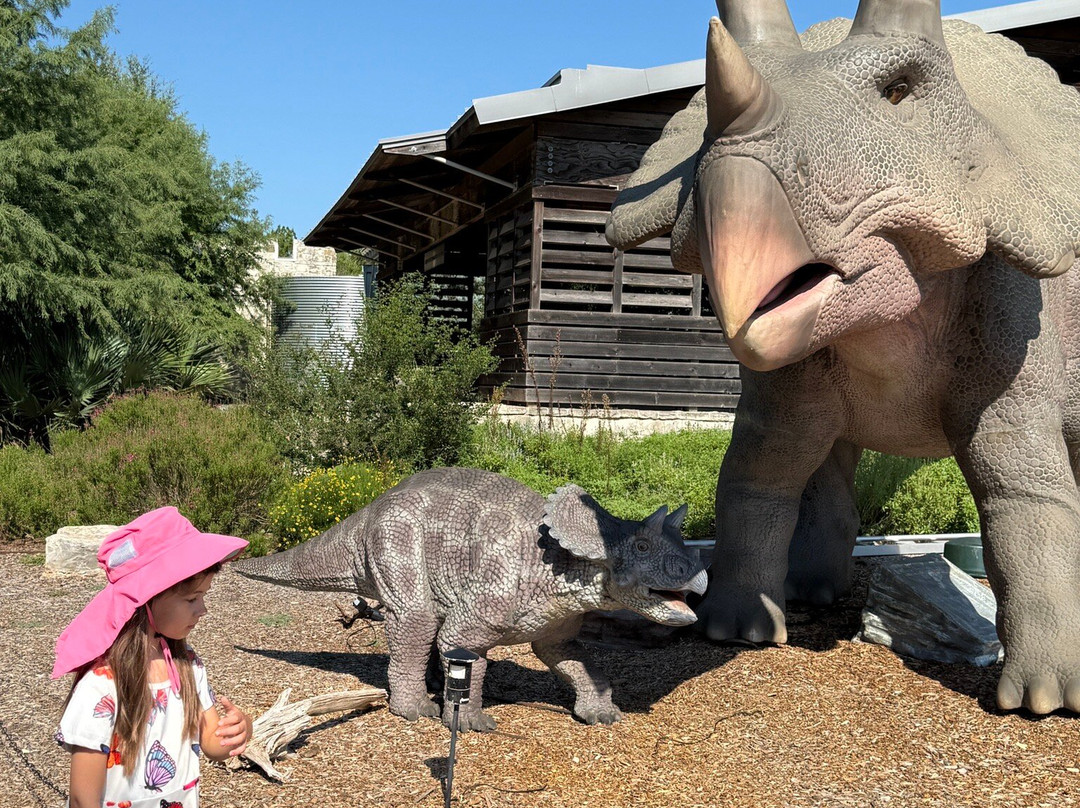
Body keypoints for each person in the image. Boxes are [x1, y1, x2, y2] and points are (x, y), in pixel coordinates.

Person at [52, 507, 254, 808]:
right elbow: (83, 798)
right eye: (192, 598)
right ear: (147, 597)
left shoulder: (188, 665)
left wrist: (240, 729)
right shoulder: (102, 685)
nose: (203, 609)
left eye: (203, 596)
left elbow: (212, 744)